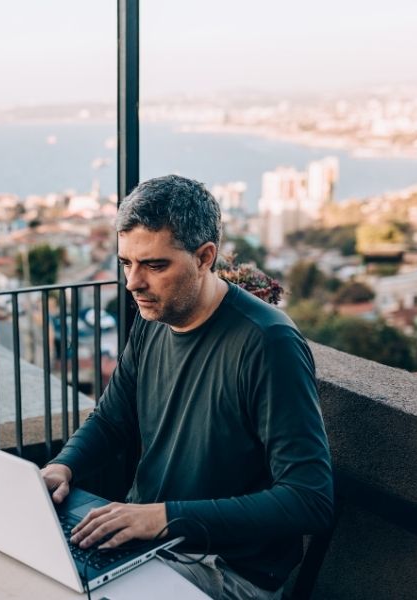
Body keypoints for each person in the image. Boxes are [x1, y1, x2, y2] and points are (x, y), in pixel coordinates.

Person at [41, 174, 334, 600]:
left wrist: (162, 518)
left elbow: (309, 499)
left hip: (228, 570)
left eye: (155, 265)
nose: (132, 283)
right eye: (126, 263)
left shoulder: (268, 343)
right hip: (147, 546)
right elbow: (111, 420)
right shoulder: (152, 320)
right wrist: (62, 467)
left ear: (204, 257)